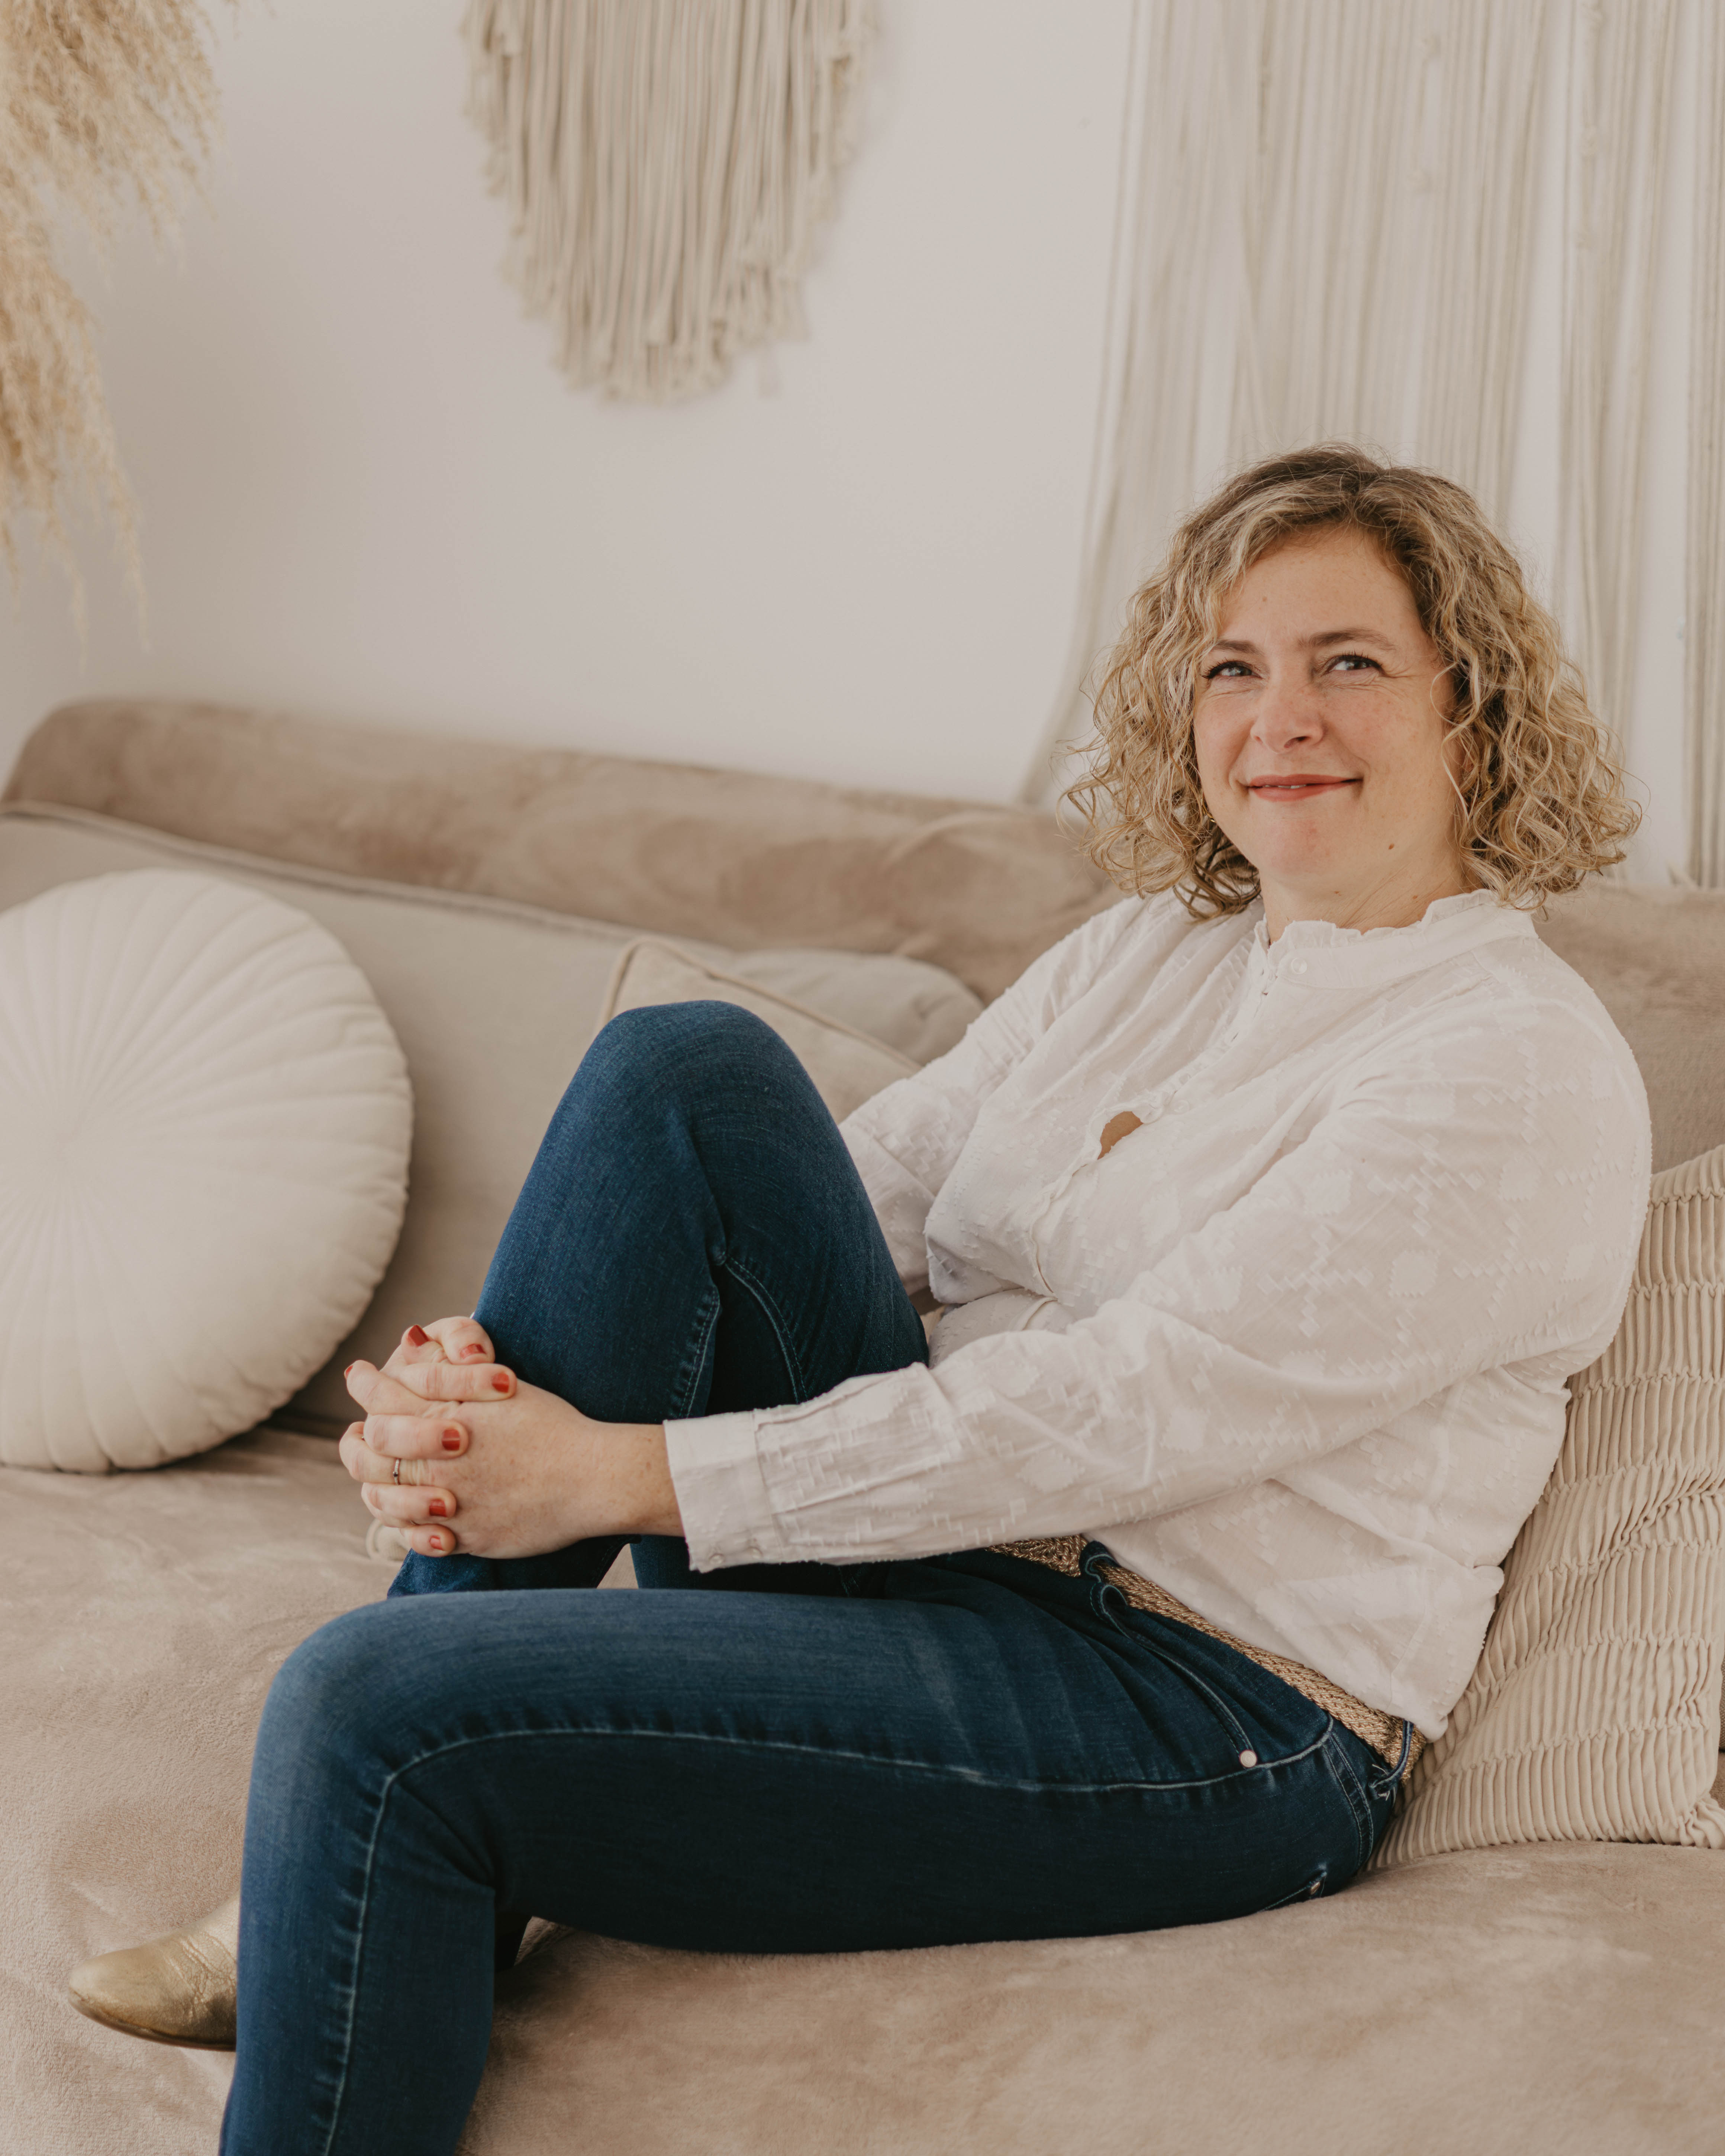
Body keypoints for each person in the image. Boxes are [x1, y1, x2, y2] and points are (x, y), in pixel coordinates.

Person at [71, 446, 1651, 2156]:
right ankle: (404, 1664)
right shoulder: (1153, 948)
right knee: (688, 1076)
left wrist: (620, 1475)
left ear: (1470, 712)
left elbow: (1130, 1402)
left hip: (1205, 1712)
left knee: (373, 1701)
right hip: (944, 1565)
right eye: (1230, 666)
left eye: (1347, 662)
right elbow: (876, 1180)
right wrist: (484, 1397)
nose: (1279, 717)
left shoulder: (1506, 1066)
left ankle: (326, 1845)